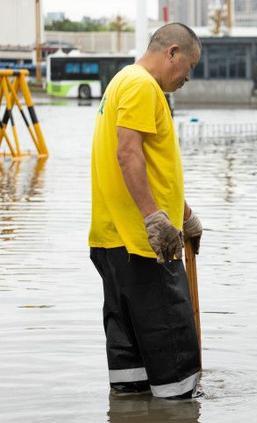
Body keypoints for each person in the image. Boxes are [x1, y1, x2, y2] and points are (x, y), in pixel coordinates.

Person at [89, 23, 203, 399]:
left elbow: (151, 166)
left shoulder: (122, 81)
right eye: (189, 65)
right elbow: (127, 154)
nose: (188, 76)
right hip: (146, 245)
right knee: (175, 363)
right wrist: (155, 218)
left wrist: (184, 215)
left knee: (131, 371)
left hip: (113, 241)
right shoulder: (142, 86)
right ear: (171, 52)